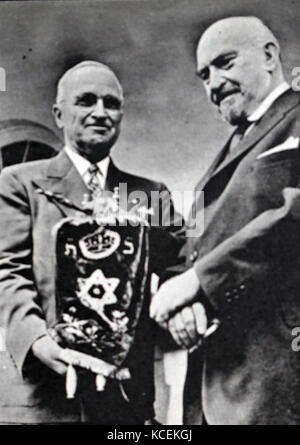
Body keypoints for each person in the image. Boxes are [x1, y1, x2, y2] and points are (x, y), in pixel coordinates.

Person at [0, 61, 184, 424]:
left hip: (125, 403)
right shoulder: (17, 183)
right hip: (43, 399)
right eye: (86, 101)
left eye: (111, 103)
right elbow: (7, 271)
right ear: (59, 114)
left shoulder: (151, 194)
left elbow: (185, 262)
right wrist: (37, 341)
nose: (100, 112)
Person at [150, 17, 300, 424]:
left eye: (226, 63)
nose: (214, 84)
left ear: (269, 56)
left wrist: (197, 282)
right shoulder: (233, 147)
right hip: (216, 385)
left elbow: (294, 217)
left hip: (278, 375)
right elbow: (197, 245)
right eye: (204, 75)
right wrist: (186, 300)